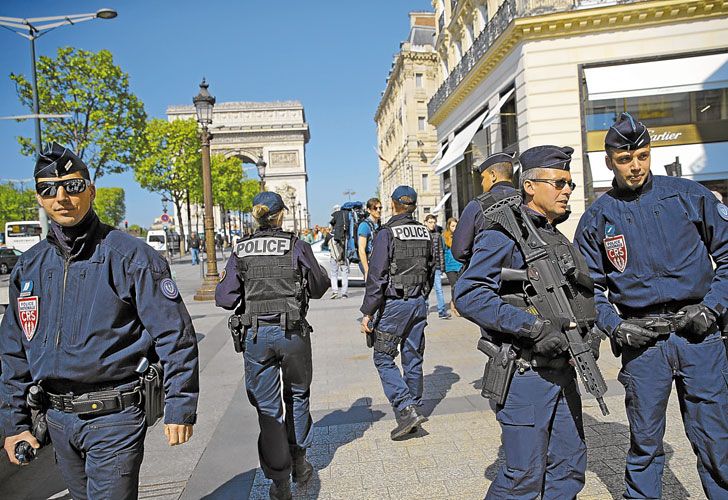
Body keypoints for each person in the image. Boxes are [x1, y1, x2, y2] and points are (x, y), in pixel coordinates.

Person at [0, 142, 199, 499]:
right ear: (39, 199)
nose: (61, 196)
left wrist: (179, 406)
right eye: (49, 189)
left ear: (91, 191)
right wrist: (14, 424)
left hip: (114, 417)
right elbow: (13, 352)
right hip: (56, 418)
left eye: (72, 186)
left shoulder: (131, 256)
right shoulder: (28, 267)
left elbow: (176, 335)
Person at [574, 113, 728, 499]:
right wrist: (615, 326)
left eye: (642, 156)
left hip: (700, 338)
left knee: (717, 442)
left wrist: (712, 307)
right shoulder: (597, 218)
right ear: (609, 160)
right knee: (644, 444)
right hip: (643, 345)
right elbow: (588, 289)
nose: (636, 166)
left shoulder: (690, 195)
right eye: (625, 159)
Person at [455, 145, 588, 498]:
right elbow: (468, 294)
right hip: (524, 373)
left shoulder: (553, 236)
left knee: (570, 467)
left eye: (570, 185)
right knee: (523, 477)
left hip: (561, 370)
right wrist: (534, 328)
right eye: (559, 183)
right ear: (530, 186)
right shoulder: (504, 234)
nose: (567, 191)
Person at [215, 191, 329, 500]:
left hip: (255, 337)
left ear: (255, 215)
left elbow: (224, 298)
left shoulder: (241, 249)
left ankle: (280, 484)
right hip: (292, 333)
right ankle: (301, 463)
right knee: (298, 397)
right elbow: (319, 287)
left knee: (268, 409)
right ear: (280, 215)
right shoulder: (296, 246)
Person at [360, 186, 434, 440]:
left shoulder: (386, 233)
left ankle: (405, 409)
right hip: (418, 303)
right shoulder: (425, 232)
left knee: (383, 357)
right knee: (412, 356)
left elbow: (376, 275)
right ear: (413, 205)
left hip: (394, 305)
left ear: (393, 205)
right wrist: (422, 295)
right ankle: (413, 406)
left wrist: (368, 312)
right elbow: (431, 269)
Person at [451, 152, 518, 264]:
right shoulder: (527, 200)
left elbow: (459, 251)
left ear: (493, 175)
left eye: (483, 177)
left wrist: (479, 259)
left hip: (490, 276)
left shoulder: (477, 205)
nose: (481, 183)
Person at [424, 214, 450, 319]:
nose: (432, 224)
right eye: (430, 222)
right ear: (425, 222)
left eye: (434, 222)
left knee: (439, 289)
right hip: (425, 267)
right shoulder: (422, 234)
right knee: (425, 289)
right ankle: (424, 310)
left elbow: (440, 251)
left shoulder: (437, 235)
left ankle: (442, 311)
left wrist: (442, 267)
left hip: (436, 266)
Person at [442, 217, 463, 316]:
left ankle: (454, 303)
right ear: (449, 226)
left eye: (456, 226)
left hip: (460, 265)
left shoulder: (461, 236)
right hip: (450, 266)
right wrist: (441, 266)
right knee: (454, 286)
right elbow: (441, 252)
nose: (455, 228)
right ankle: (455, 306)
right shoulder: (444, 237)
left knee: (459, 286)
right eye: (453, 226)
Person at [328, 204, 349, 299]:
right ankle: (344, 292)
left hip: (333, 255)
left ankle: (334, 291)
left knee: (333, 273)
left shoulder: (330, 234)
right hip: (343, 254)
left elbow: (325, 244)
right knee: (344, 272)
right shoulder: (345, 234)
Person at [357, 197, 382, 278]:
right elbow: (361, 249)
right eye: (375, 208)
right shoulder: (364, 226)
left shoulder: (378, 225)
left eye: (380, 208)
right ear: (368, 210)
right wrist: (367, 270)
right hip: (369, 263)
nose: (378, 210)